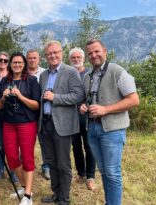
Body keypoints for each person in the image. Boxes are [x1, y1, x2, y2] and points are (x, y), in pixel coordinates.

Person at [80, 39, 139, 205]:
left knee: (112, 172)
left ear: (105, 51)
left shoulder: (117, 71)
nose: (93, 55)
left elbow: (134, 100)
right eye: (90, 53)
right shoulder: (87, 77)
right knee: (104, 171)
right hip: (93, 129)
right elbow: (89, 101)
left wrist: (105, 110)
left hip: (113, 130)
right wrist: (84, 107)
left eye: (96, 51)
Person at [39, 40, 85, 205]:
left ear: (61, 53)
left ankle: (64, 199)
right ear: (46, 56)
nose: (52, 56)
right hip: (45, 124)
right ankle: (56, 193)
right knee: (51, 161)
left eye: (55, 52)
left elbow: (78, 95)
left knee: (63, 163)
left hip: (62, 126)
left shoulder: (71, 72)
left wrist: (55, 98)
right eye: (49, 53)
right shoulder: (43, 75)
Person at [0, 52, 41, 205]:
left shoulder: (32, 81)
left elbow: (36, 105)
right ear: (10, 64)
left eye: (20, 62)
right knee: (12, 157)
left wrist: (20, 96)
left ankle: (28, 195)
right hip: (9, 124)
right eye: (14, 62)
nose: (17, 65)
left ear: (24, 64)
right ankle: (24, 186)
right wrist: (2, 97)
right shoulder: (4, 81)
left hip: (26, 123)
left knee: (27, 157)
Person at [69, 47, 96, 190]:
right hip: (71, 117)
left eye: (78, 57)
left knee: (89, 146)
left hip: (87, 117)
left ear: (83, 59)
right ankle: (81, 173)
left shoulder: (90, 74)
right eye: (73, 58)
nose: (76, 60)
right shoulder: (67, 74)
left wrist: (86, 104)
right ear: (70, 60)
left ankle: (90, 176)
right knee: (76, 147)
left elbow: (94, 95)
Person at [0, 51, 18, 183]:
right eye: (0, 60)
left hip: (10, 114)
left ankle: (13, 171)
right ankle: (0, 169)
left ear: (8, 63)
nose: (2, 62)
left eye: (5, 60)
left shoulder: (12, 76)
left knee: (12, 144)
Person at [26, 49, 49, 180]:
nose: (32, 60)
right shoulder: (22, 73)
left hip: (42, 113)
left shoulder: (45, 73)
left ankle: (46, 167)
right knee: (27, 143)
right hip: (27, 112)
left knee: (44, 141)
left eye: (34, 58)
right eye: (30, 58)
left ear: (39, 59)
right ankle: (26, 166)